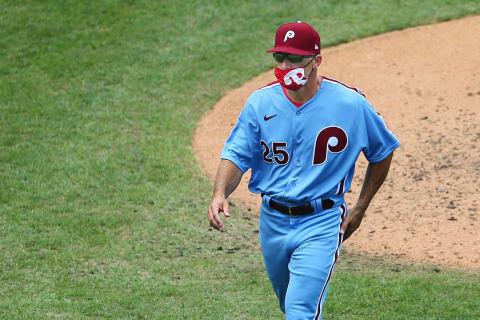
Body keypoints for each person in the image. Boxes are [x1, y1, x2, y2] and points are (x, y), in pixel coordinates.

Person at [207, 21, 400, 320]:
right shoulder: (260, 103)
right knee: (290, 305)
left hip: (322, 222)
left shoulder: (350, 104)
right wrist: (220, 192)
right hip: (271, 221)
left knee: (300, 311)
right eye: (279, 57)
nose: (286, 65)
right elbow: (237, 153)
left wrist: (360, 207)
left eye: (295, 58)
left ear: (316, 60)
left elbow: (382, 150)